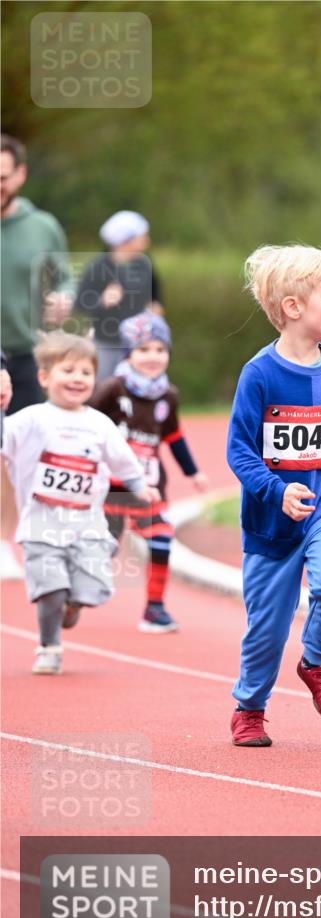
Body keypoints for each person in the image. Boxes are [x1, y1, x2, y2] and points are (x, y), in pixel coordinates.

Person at [227, 244, 321, 748]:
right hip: (271, 523)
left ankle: (317, 661)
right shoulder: (259, 374)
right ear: (294, 308)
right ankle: (250, 708)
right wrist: (277, 491)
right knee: (266, 630)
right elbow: (238, 452)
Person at [0, 333, 156, 675]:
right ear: (44, 378)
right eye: (67, 370)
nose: (77, 379)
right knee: (51, 591)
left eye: (85, 372)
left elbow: (123, 460)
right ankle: (49, 645)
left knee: (91, 591)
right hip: (41, 523)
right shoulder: (31, 419)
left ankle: (75, 604)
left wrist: (139, 485)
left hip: (86, 524)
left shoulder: (99, 424)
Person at [90, 311, 209, 633]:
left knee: (161, 541)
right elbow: (86, 424)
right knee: (106, 546)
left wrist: (193, 472)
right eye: (143, 350)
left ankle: (154, 609)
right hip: (113, 486)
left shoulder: (168, 396)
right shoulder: (112, 388)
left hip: (151, 488)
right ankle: (81, 586)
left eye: (160, 349)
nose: (153, 357)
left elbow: (174, 437)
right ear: (129, 354)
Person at [1, 133, 74, 579]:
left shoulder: (42, 226)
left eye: (3, 178)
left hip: (26, 353)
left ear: (21, 175)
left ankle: (15, 539)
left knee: (23, 452)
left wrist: (63, 298)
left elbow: (64, 277)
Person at [75, 210, 164, 383]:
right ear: (125, 240)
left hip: (138, 345)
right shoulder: (98, 267)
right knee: (101, 391)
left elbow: (156, 293)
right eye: (142, 236)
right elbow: (81, 304)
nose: (147, 241)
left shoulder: (144, 263)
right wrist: (102, 302)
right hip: (106, 344)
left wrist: (156, 307)